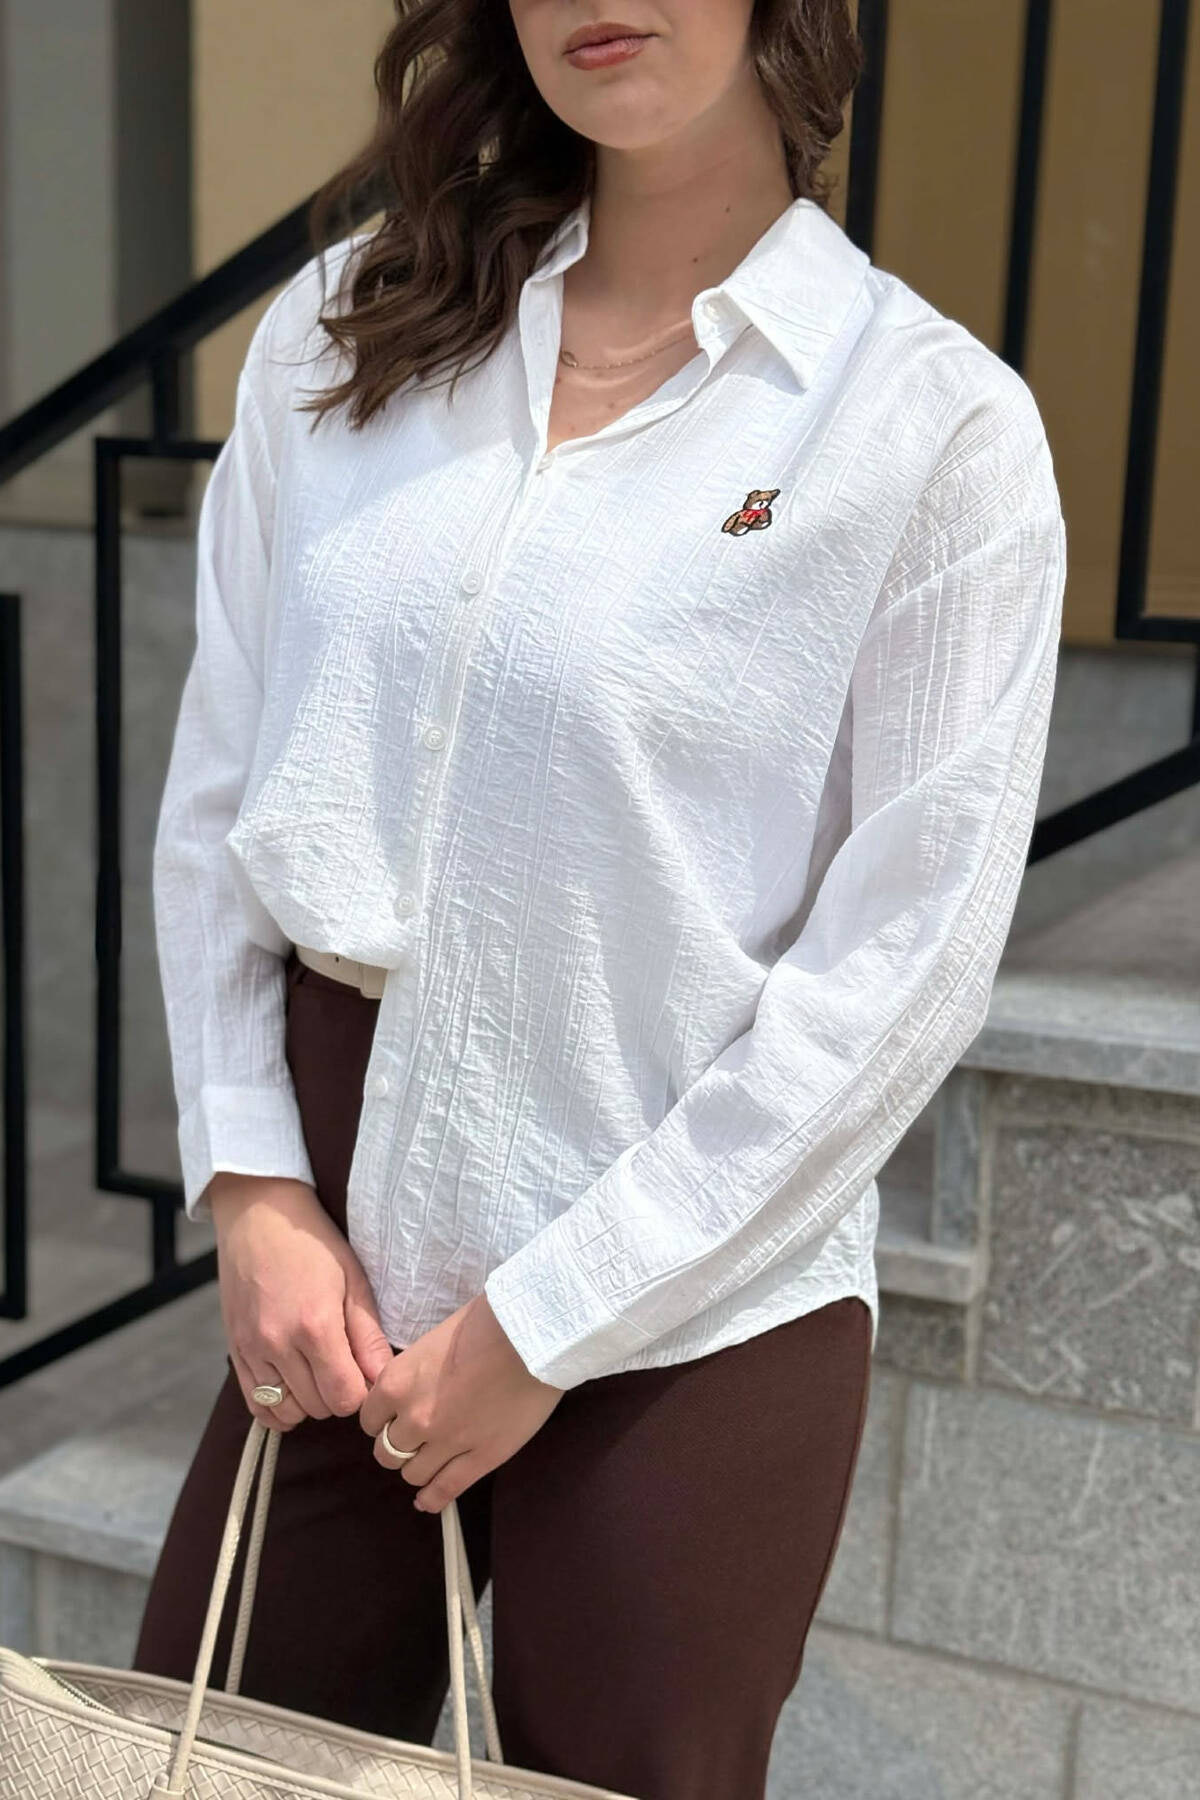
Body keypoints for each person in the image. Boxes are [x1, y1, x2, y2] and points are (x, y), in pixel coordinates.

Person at [133, 2, 1068, 1797]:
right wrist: (250, 1179)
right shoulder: (348, 330)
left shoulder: (925, 425)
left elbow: (907, 967)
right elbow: (223, 794)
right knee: (199, 1767)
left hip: (691, 1277)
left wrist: (550, 1321)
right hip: (328, 1251)